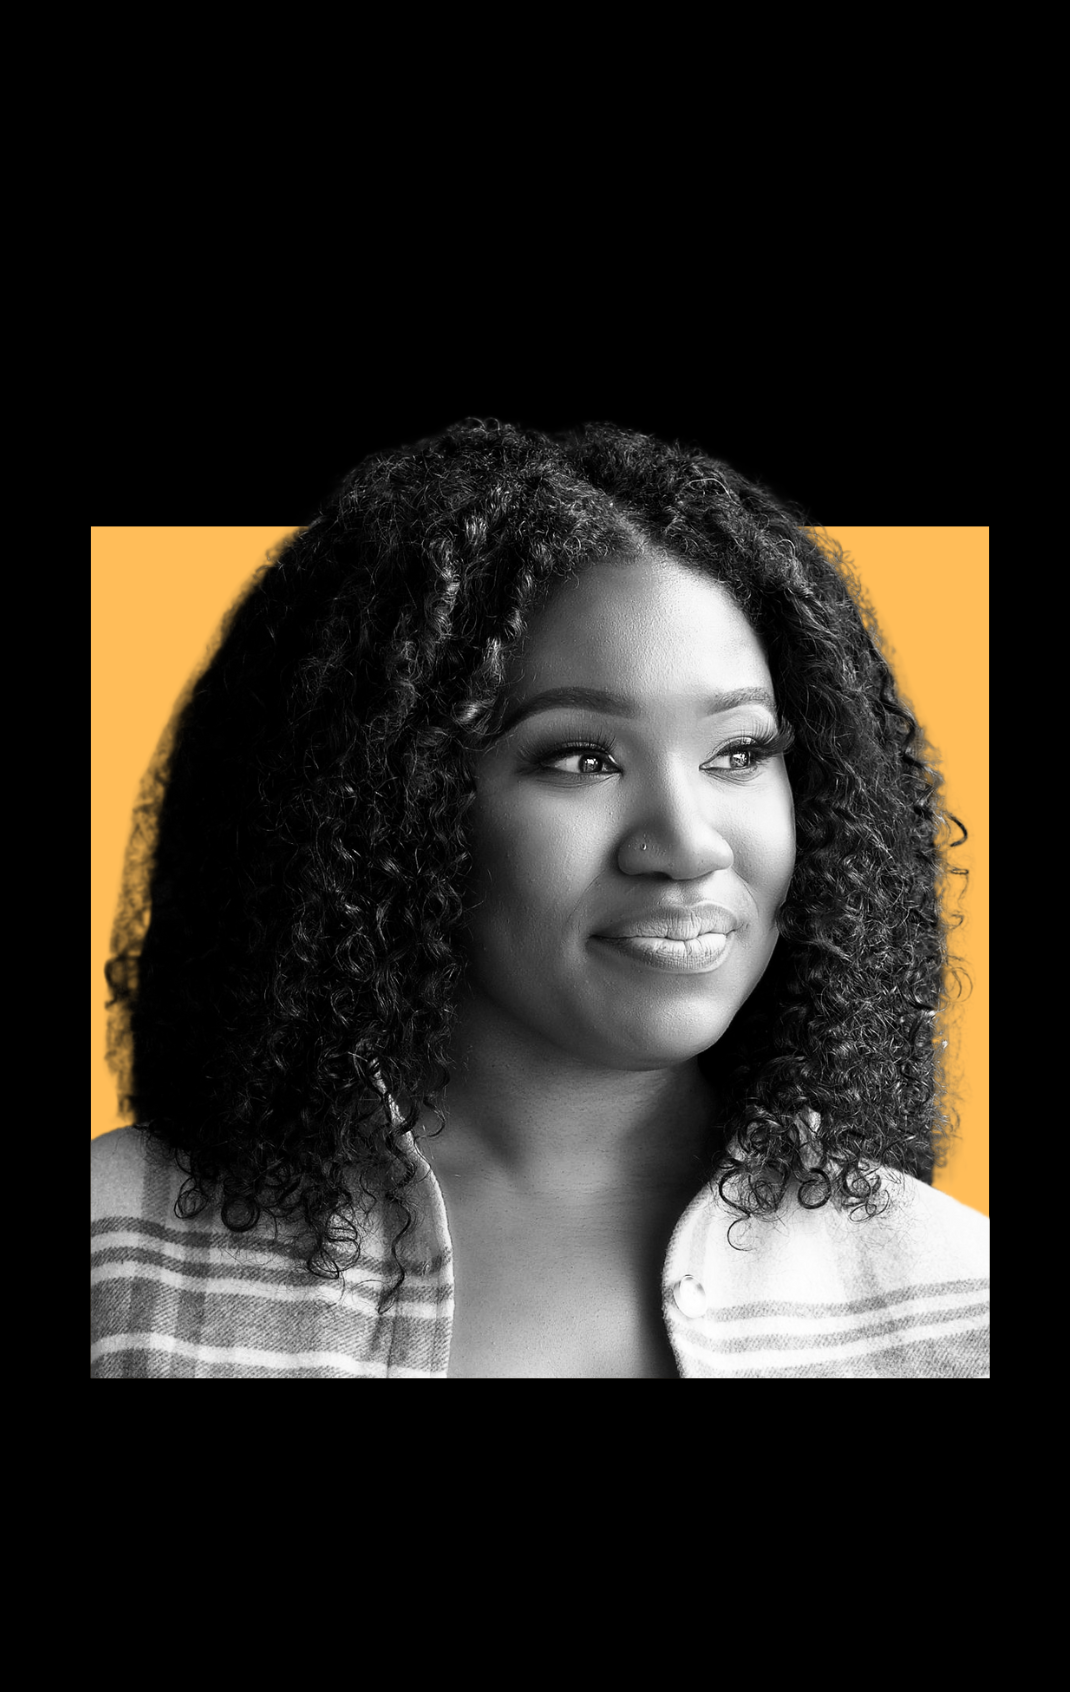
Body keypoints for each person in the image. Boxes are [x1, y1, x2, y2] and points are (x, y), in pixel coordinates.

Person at [91, 417, 988, 1378]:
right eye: (582, 759)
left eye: (739, 752)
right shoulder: (115, 1258)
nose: (687, 845)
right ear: (392, 805)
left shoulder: (956, 1299)